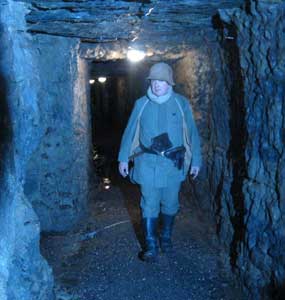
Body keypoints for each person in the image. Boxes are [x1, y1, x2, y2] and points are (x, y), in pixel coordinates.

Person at [118, 62, 202, 262]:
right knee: (149, 202)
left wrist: (196, 160)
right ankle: (151, 245)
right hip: (147, 162)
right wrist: (123, 158)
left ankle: (165, 237)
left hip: (173, 164)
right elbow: (129, 131)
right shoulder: (141, 104)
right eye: (154, 80)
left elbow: (192, 133)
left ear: (170, 83)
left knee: (171, 203)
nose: (157, 85)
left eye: (162, 81)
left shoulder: (181, 104)